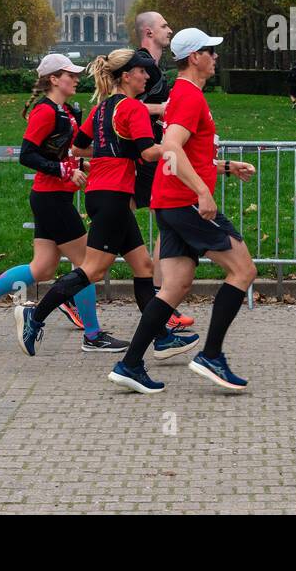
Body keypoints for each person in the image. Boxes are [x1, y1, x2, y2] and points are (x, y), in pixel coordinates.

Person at [13, 50, 199, 358]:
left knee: (143, 266)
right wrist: (175, 144)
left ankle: (162, 337)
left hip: (104, 193)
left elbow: (78, 146)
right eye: (142, 71)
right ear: (126, 76)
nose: (147, 76)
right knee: (93, 270)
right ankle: (35, 315)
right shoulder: (133, 108)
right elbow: (147, 153)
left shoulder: (101, 109)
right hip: (113, 195)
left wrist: (111, 154)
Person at [108, 28, 260, 394]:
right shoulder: (189, 96)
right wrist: (203, 191)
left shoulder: (181, 94)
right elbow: (172, 146)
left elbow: (187, 153)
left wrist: (224, 167)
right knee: (244, 270)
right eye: (211, 51)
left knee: (175, 286)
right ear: (195, 57)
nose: (216, 57)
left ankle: (129, 364)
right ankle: (211, 355)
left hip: (168, 201)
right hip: (184, 202)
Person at [0, 55, 97, 341]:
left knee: (43, 268)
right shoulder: (45, 111)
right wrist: (63, 170)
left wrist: (79, 167)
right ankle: (94, 336)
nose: (75, 78)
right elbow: (27, 155)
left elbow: (61, 153)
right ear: (53, 79)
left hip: (52, 197)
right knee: (88, 266)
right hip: (52, 199)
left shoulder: (66, 111)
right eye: (69, 74)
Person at [133, 11, 195, 333]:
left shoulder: (154, 68)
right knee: (116, 227)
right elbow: (125, 106)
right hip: (137, 158)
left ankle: (160, 301)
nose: (170, 30)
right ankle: (77, 282)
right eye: (164, 26)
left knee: (160, 224)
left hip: (152, 157)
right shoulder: (142, 65)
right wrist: (165, 110)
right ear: (148, 32)